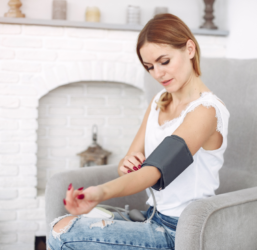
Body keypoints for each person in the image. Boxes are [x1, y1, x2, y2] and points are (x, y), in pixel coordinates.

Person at [47, 13, 230, 250]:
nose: (158, 73)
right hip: (151, 216)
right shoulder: (158, 101)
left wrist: (100, 192)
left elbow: (154, 171)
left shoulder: (207, 111)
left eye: (164, 61)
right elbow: (130, 160)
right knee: (63, 223)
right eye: (150, 67)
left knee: (61, 235)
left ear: (190, 49)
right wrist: (127, 163)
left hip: (181, 231)